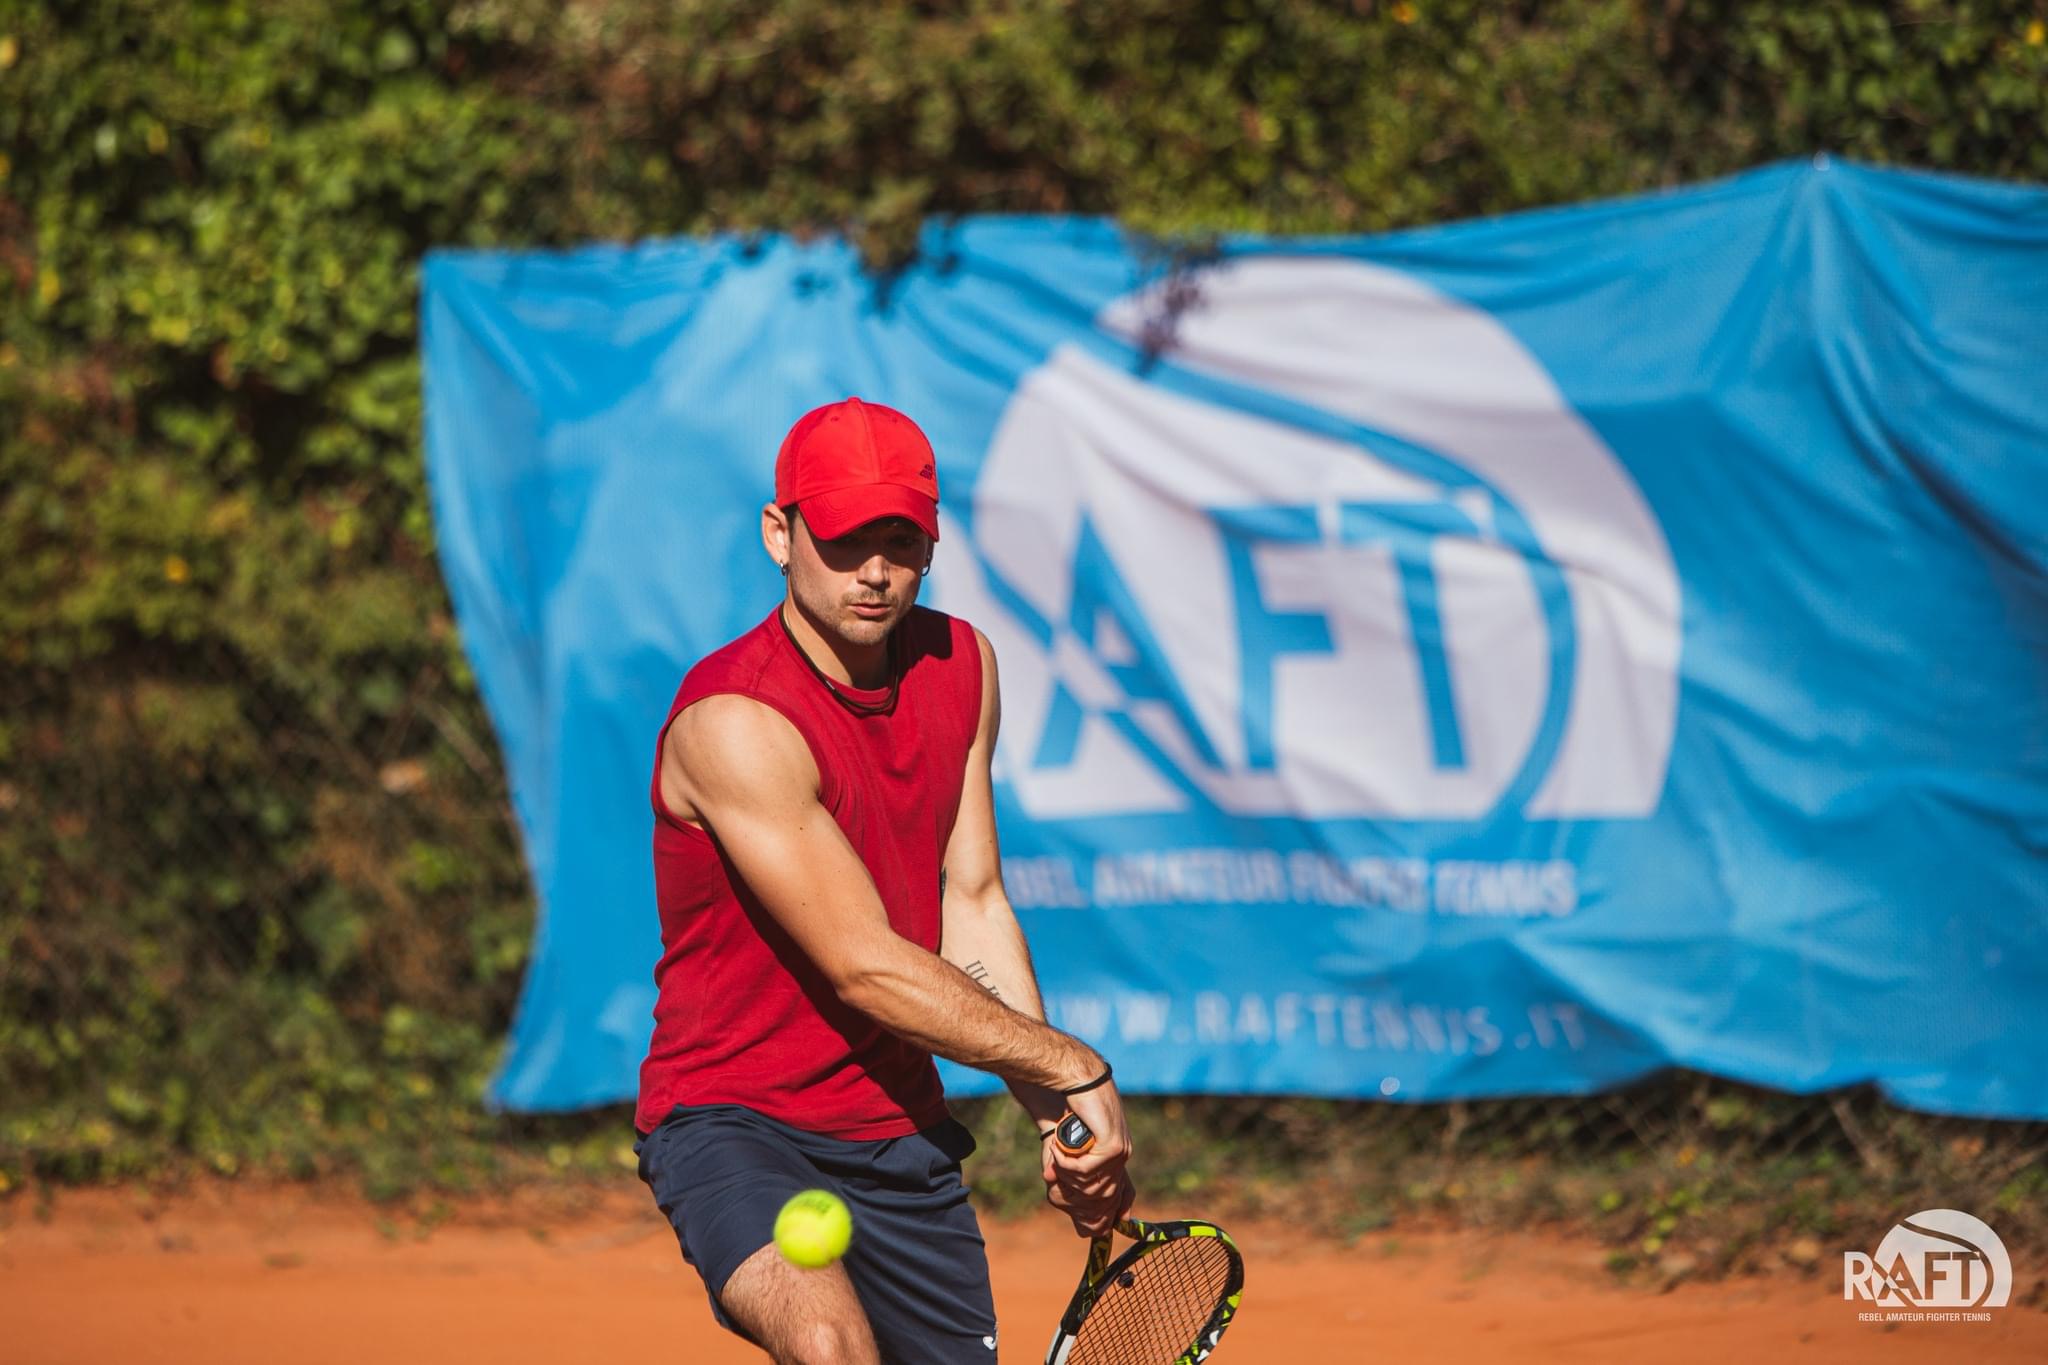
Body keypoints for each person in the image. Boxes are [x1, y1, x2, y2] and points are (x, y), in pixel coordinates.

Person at [634, 396, 1136, 1364]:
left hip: (896, 1129)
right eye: (843, 539)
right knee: (828, 1346)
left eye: (900, 541)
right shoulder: (732, 722)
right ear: (779, 535)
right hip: (734, 1120)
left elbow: (971, 905)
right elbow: (864, 966)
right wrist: (1068, 1063)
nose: (874, 571)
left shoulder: (962, 668)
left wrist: (1049, 1109)